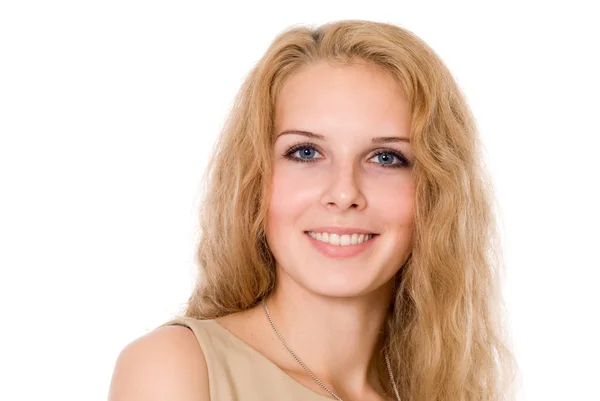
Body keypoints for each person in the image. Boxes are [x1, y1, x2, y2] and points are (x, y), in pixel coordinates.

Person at [108, 19, 516, 401]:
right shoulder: (177, 369)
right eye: (306, 152)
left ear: (436, 191)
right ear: (255, 179)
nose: (343, 193)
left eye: (386, 158)